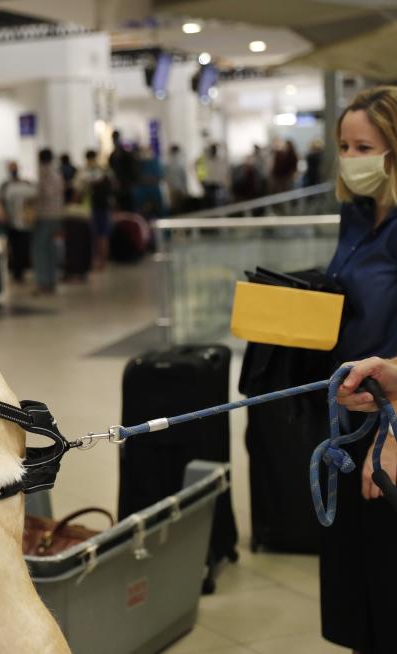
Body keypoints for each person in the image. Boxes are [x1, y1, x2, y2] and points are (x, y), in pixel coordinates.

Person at [318, 86, 397, 654]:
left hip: (389, 424)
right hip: (350, 417)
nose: (351, 158)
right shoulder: (356, 215)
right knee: (360, 592)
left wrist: (394, 439)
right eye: (344, 146)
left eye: (363, 146)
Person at [0, 161, 36, 283]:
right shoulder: (5, 185)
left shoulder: (26, 183)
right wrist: (2, 215)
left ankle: (21, 271)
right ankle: (16, 272)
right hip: (11, 222)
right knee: (13, 247)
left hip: (25, 222)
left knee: (23, 247)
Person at [32, 148, 64, 294]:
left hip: (44, 215)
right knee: (51, 250)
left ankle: (43, 282)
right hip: (56, 215)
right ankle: (51, 281)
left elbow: (41, 193)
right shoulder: (57, 173)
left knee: (41, 250)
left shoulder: (43, 173)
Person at [77, 150, 114, 271]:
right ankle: (103, 262)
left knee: (96, 235)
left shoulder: (84, 172)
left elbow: (79, 189)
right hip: (104, 205)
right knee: (103, 235)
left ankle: (97, 261)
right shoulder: (104, 170)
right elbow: (113, 184)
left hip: (91, 207)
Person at [109, 131, 139, 211]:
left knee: (129, 207)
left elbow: (133, 170)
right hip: (119, 186)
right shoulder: (112, 155)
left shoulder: (126, 154)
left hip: (127, 185)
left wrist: (131, 182)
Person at [199, 143, 229, 208]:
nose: (213, 151)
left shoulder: (220, 161)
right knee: (209, 205)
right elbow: (204, 150)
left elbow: (225, 150)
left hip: (218, 185)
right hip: (209, 186)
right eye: (212, 150)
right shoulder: (207, 160)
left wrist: (219, 145)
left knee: (219, 204)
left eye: (215, 149)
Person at [164, 144, 189, 214]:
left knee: (178, 208)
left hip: (174, 189)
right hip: (176, 189)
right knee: (178, 208)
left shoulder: (169, 163)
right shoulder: (176, 163)